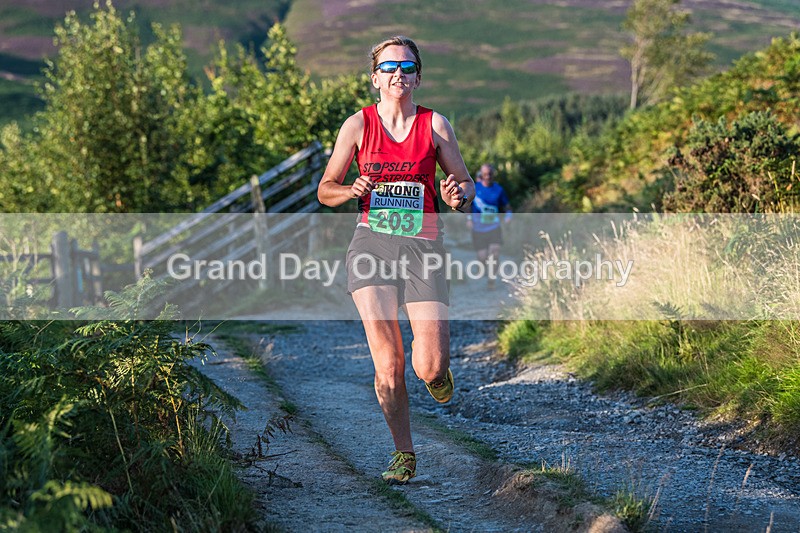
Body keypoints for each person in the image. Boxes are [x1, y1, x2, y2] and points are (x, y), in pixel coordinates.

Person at [317, 36, 475, 485]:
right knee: (388, 362)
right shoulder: (357, 126)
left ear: (418, 76)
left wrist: (457, 194)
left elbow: (465, 185)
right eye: (388, 67)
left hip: (424, 248)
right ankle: (403, 453)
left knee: (429, 366)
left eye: (406, 67)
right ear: (374, 78)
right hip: (372, 246)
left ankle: (438, 373)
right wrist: (350, 191)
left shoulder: (436, 125)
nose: (397, 75)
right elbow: (325, 189)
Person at [467, 163, 511, 289]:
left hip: (494, 227)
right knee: (482, 257)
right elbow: (467, 206)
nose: (487, 176)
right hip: (478, 229)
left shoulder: (499, 190)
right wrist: (469, 219)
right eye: (485, 174)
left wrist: (509, 217)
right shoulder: (474, 188)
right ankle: (487, 271)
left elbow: (507, 206)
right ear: (481, 175)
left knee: (495, 253)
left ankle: (492, 279)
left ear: (493, 175)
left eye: (490, 174)